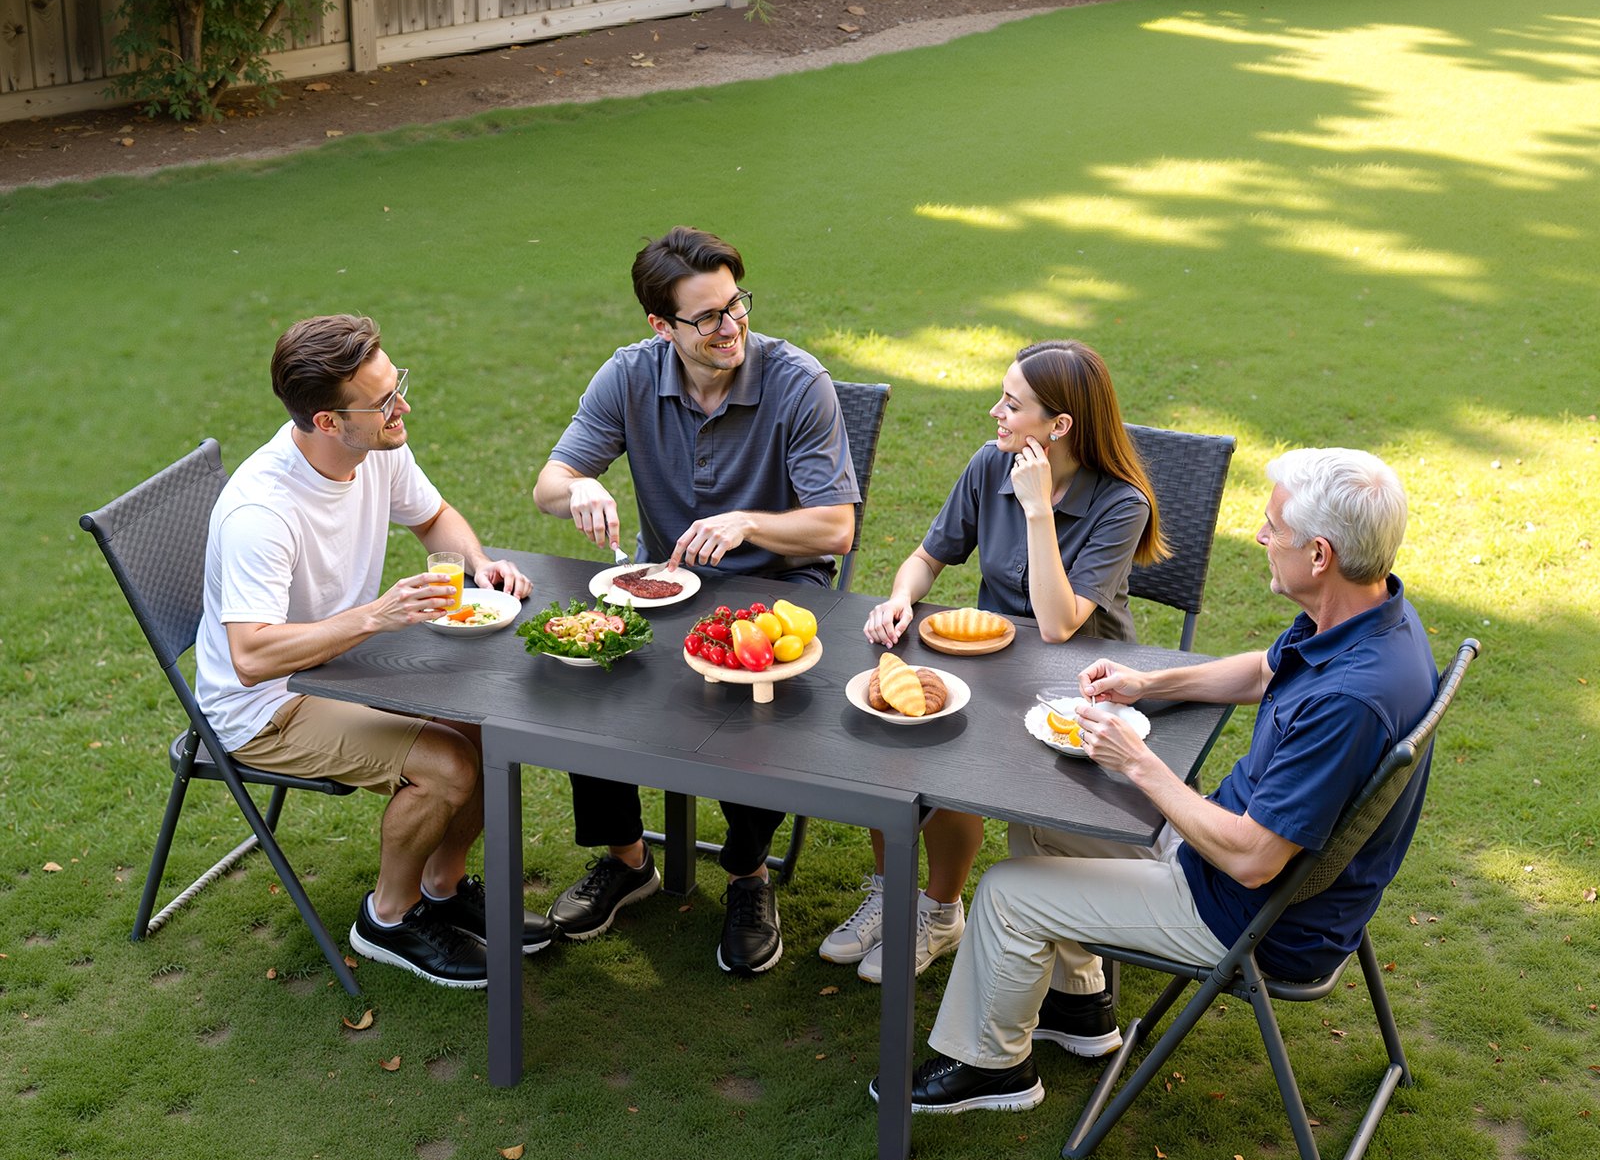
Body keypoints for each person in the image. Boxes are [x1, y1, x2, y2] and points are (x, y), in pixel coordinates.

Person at [872, 446, 1438, 1115]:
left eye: (1272, 527)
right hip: (1242, 867)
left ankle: (993, 1068)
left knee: (1004, 894)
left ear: (1320, 555)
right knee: (1043, 816)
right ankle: (1079, 1008)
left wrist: (1139, 765)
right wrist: (1149, 683)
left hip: (1249, 915)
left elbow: (1256, 861)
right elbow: (1264, 672)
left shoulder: (1348, 698)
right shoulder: (1365, 618)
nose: (1259, 536)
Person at [533, 226, 859, 974]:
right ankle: (627, 860)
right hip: (669, 581)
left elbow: (837, 528)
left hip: (779, 587)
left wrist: (750, 521)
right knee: (587, 668)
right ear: (661, 326)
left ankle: (748, 876)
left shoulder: (796, 379)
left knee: (749, 699)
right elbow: (550, 484)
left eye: (736, 304)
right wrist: (580, 485)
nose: (731, 326)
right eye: (707, 317)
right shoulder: (628, 375)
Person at [195, 314, 554, 989]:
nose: (402, 407)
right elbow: (251, 656)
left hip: (336, 668)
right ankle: (388, 917)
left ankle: (442, 889)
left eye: (398, 385)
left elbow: (433, 516)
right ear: (328, 422)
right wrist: (374, 617)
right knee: (448, 764)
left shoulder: (377, 447)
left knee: (488, 721)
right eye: (384, 400)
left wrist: (479, 563)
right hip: (267, 706)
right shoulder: (261, 514)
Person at [827, 340, 1165, 984]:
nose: (995, 413)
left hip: (1080, 690)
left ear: (1059, 426)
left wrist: (1038, 508)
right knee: (890, 735)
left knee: (956, 758)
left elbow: (1061, 624)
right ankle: (888, 895)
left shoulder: (1122, 504)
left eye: (1011, 404)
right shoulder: (990, 465)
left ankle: (939, 912)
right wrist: (900, 599)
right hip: (994, 668)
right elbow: (928, 557)